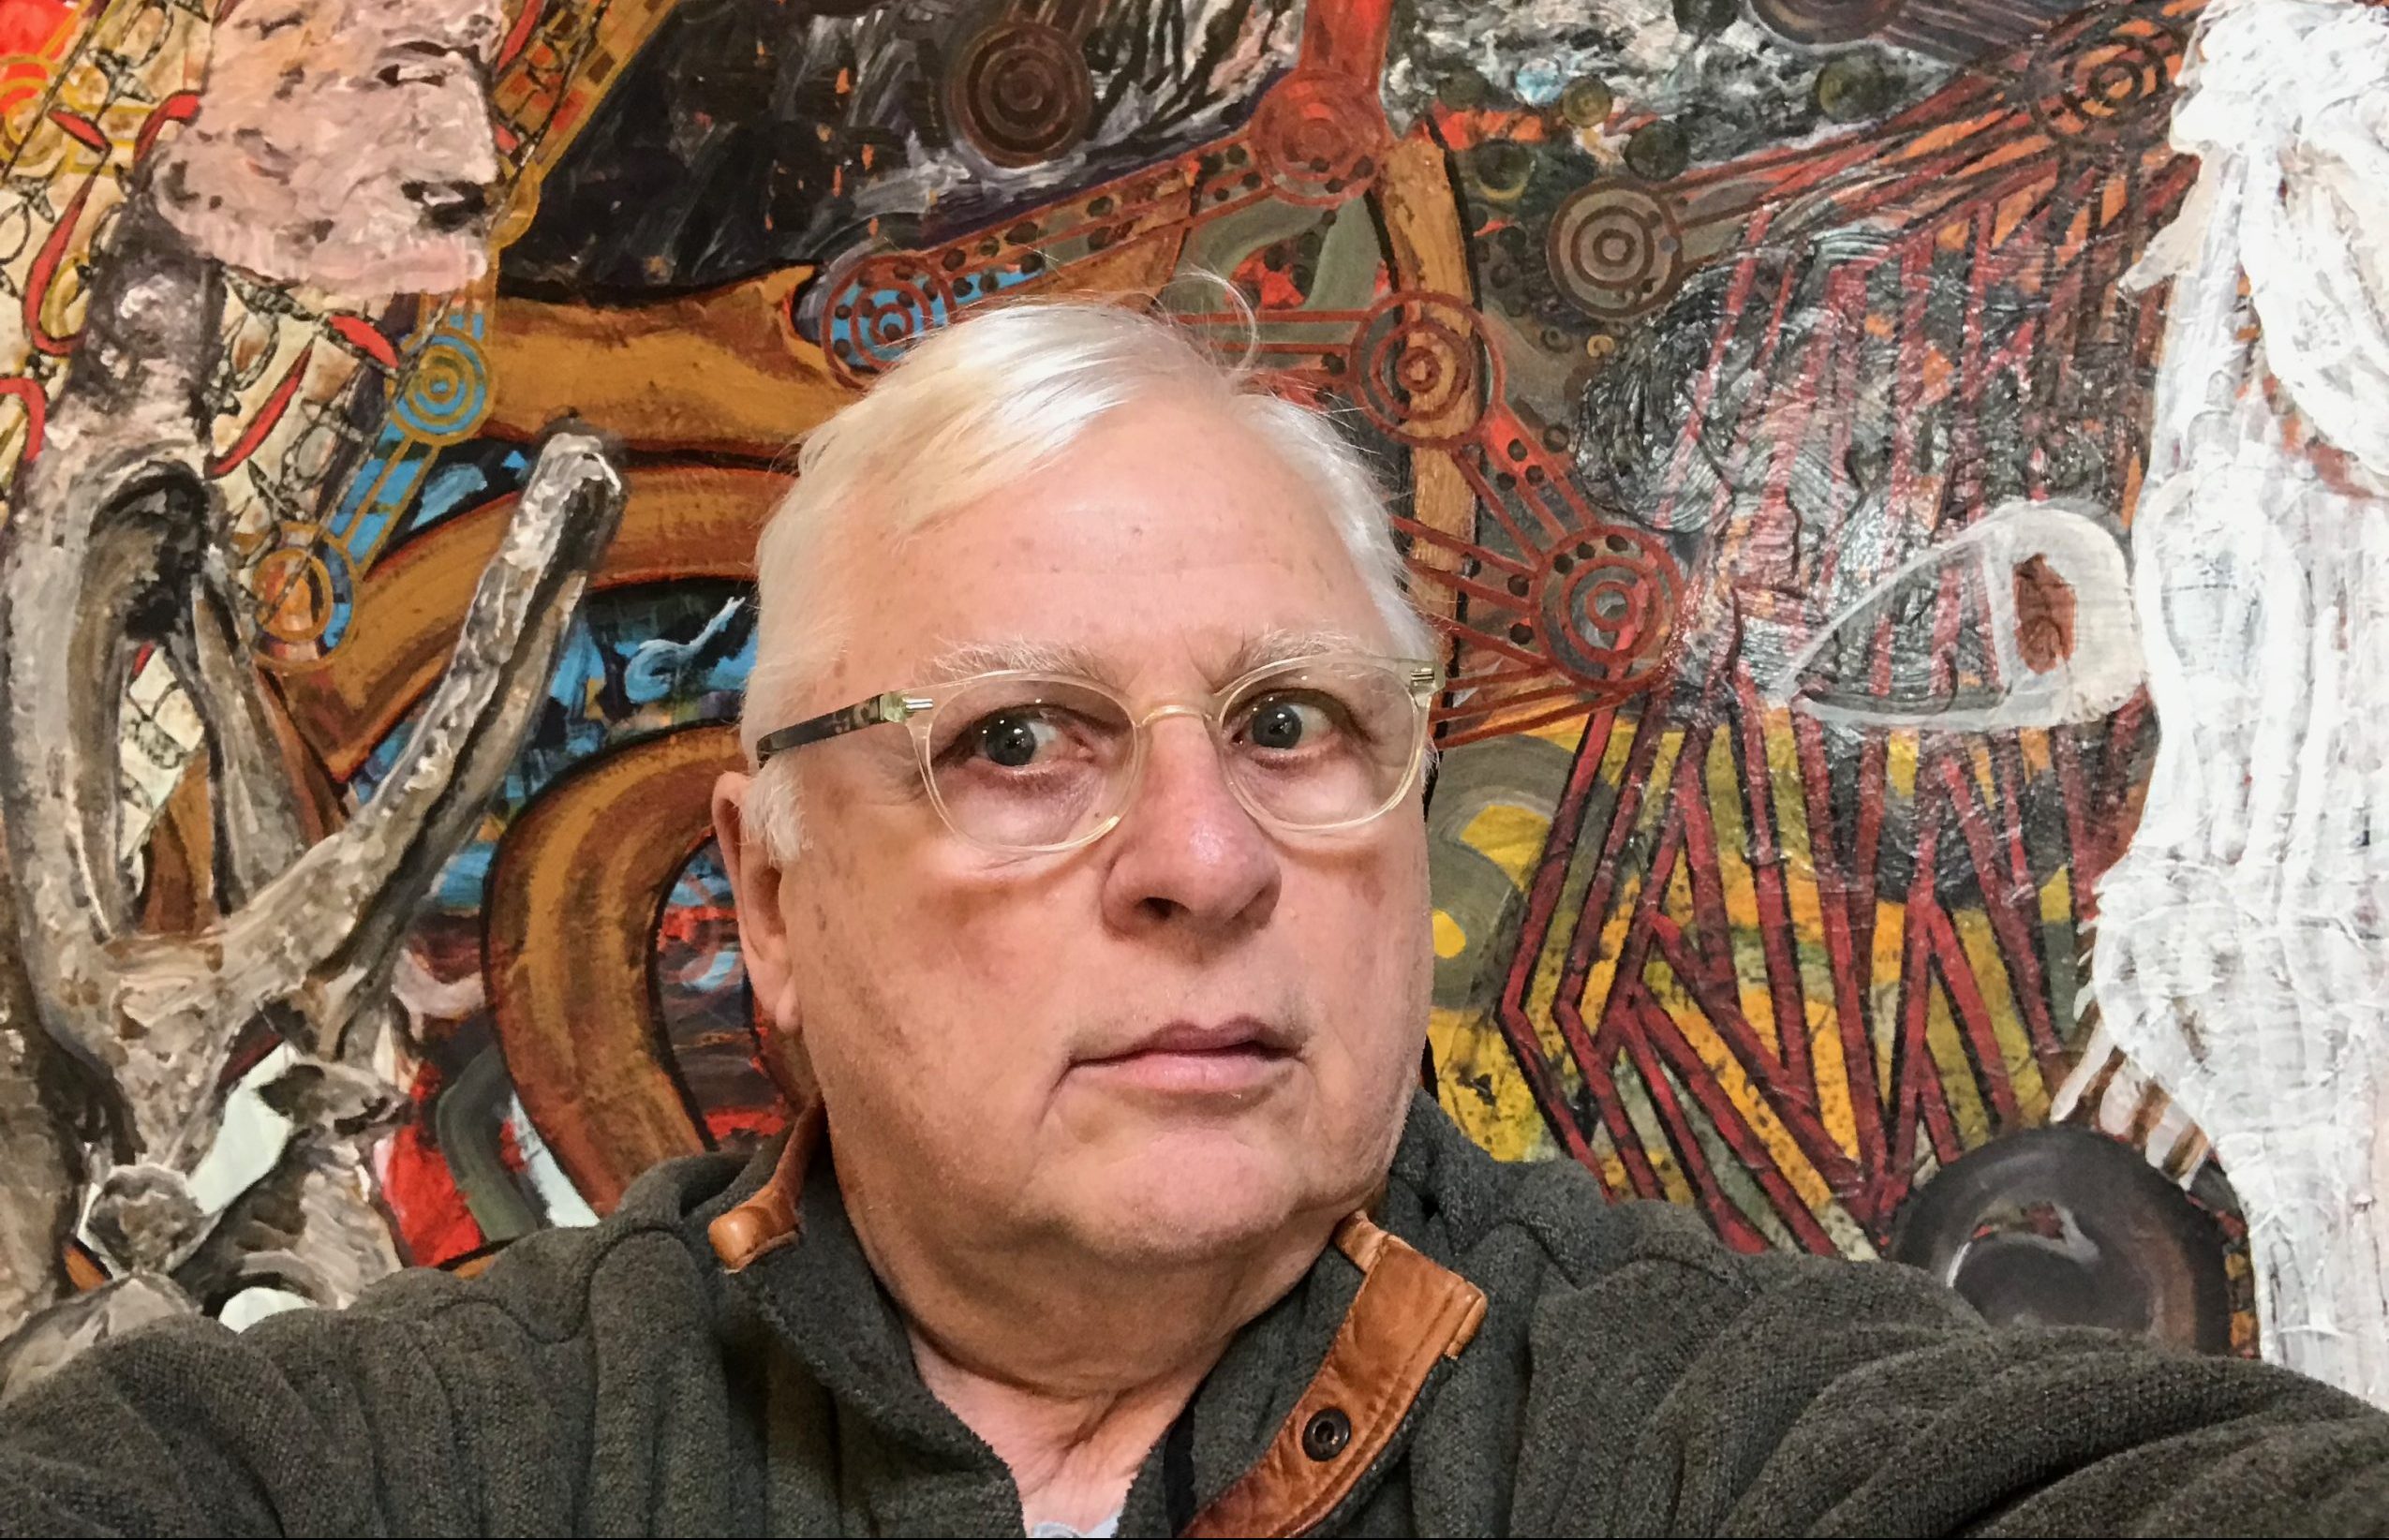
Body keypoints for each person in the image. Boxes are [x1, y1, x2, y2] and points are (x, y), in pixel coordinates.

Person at [0, 299, 2386, 1539]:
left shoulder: (1708, 1430)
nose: (1208, 857)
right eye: (1017, 740)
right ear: (772, 905)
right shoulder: (431, 1453)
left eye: (1292, 724)